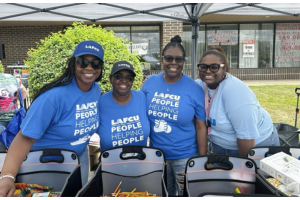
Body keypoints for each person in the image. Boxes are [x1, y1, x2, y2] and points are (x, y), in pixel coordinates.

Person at [0, 40, 104, 197]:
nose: (89, 67)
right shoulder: (53, 97)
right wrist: (7, 176)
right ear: (73, 64)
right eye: (83, 62)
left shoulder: (95, 90)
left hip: (77, 158)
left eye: (95, 63)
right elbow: (24, 138)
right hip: (45, 164)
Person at [141, 35, 207, 196]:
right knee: (162, 193)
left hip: (184, 156)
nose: (173, 63)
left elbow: (200, 126)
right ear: (162, 59)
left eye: (179, 59)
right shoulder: (149, 83)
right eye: (169, 58)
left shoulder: (194, 89)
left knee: (185, 194)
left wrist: (202, 158)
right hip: (157, 155)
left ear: (184, 61)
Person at [196, 47, 279, 157]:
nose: (207, 71)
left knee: (250, 174)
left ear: (224, 69)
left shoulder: (235, 92)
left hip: (256, 146)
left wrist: (244, 168)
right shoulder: (199, 86)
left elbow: (246, 137)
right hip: (221, 146)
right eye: (203, 67)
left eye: (214, 67)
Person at [98, 61, 150, 151]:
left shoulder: (141, 98)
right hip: (111, 163)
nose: (124, 80)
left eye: (129, 78)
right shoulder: (100, 102)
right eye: (119, 76)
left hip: (141, 162)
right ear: (111, 79)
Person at [0, 74, 28, 152]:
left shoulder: (13, 79)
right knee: (13, 150)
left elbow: (23, 95)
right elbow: (24, 95)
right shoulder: (13, 79)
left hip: (8, 121)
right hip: (14, 120)